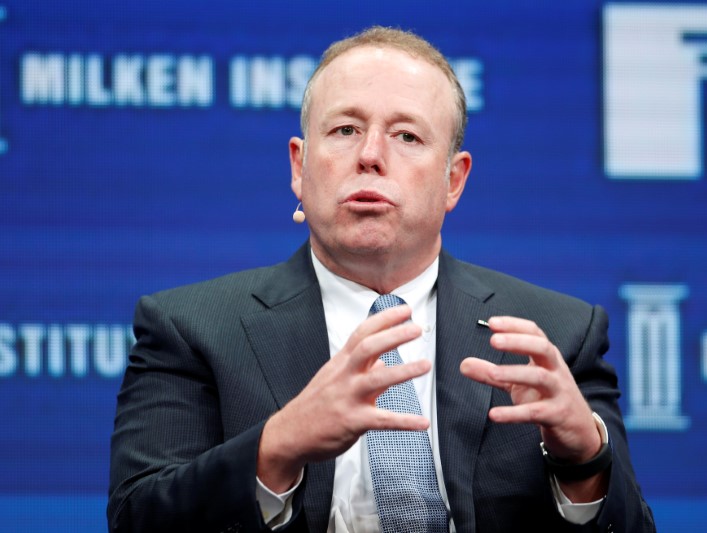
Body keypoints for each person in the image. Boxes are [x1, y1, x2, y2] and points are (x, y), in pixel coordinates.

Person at [108, 26, 656, 533]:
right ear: (300, 168)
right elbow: (137, 518)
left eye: (407, 137)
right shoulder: (192, 328)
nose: (370, 156)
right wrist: (277, 445)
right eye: (345, 130)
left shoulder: (556, 334)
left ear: (453, 180)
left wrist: (585, 458)